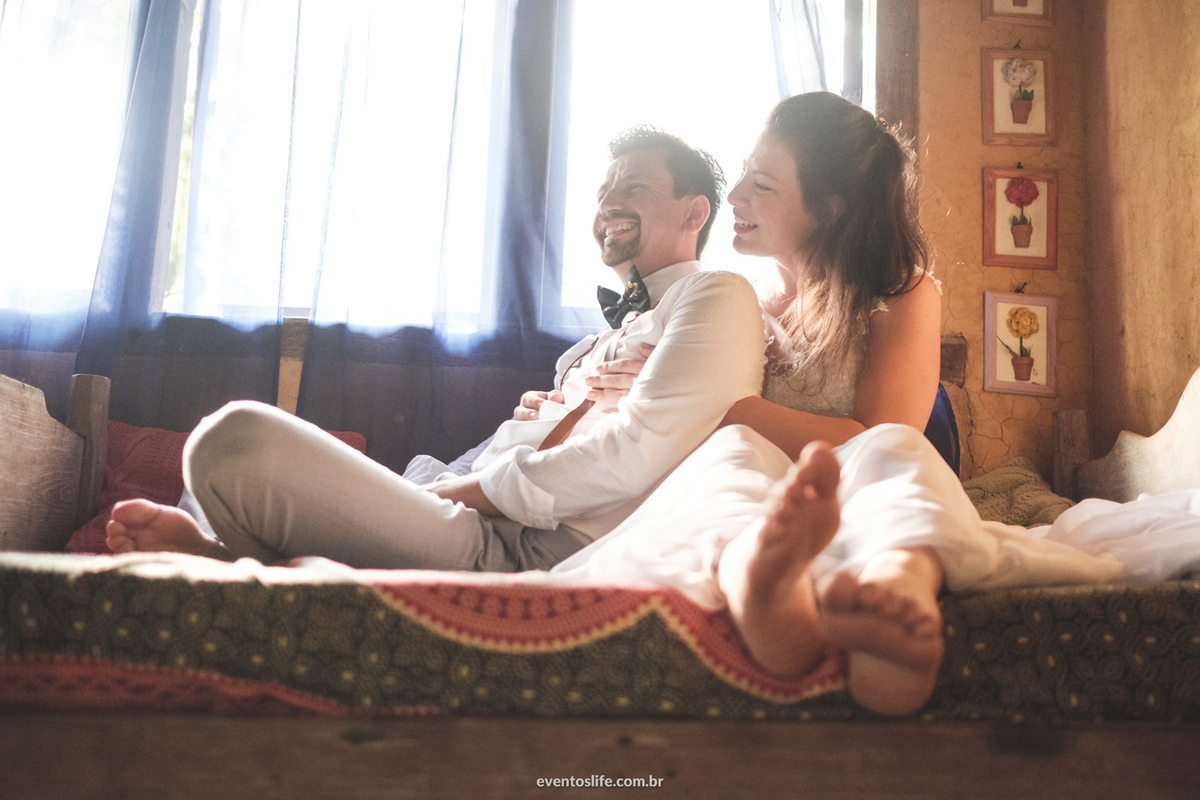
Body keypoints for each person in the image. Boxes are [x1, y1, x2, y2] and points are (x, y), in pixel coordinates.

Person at [548, 92, 1200, 716]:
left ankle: (895, 588)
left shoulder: (899, 295)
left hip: (858, 480)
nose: (736, 197)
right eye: (744, 176)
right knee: (731, 461)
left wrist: (703, 406)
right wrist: (654, 393)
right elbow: (672, 426)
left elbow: (880, 431)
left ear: (828, 209)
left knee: (889, 452)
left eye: (763, 185)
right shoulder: (733, 300)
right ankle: (764, 586)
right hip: (761, 491)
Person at [106, 127, 768, 573]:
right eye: (603, 191)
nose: (608, 204)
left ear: (694, 213)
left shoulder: (717, 296)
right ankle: (236, 553)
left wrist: (466, 491)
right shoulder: (600, 340)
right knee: (226, 452)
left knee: (233, 439)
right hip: (469, 500)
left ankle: (234, 558)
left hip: (523, 542)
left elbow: (633, 458)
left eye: (634, 188)